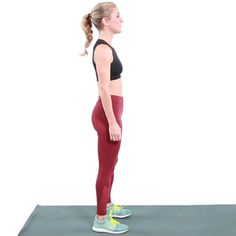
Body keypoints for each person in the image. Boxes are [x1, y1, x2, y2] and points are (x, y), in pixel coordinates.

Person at [81, 1, 132, 234]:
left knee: (112, 164)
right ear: (106, 21)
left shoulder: (107, 47)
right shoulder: (102, 50)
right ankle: (101, 218)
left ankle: (108, 205)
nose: (121, 19)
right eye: (118, 16)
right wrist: (112, 121)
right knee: (106, 167)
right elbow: (103, 89)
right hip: (106, 112)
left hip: (112, 109)